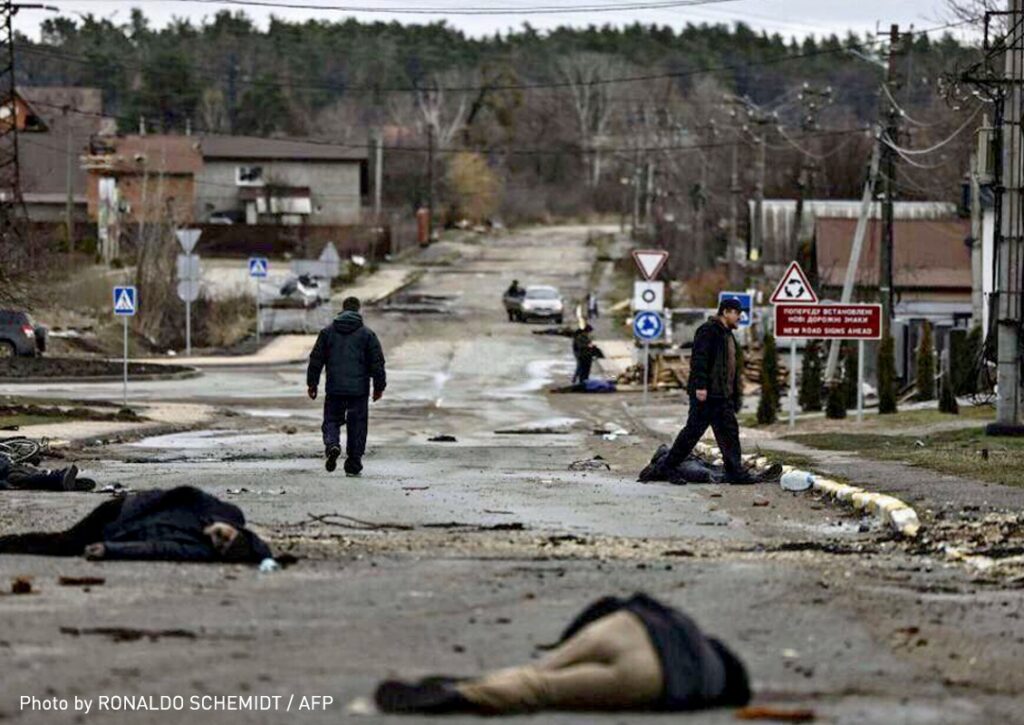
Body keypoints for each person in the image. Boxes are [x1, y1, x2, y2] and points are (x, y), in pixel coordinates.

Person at [373, 592, 751, 714]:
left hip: (627, 625)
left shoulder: (687, 626)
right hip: (651, 673)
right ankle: (466, 694)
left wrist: (564, 642)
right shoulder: (710, 684)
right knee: (544, 689)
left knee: (540, 668)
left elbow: (611, 603)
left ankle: (497, 678)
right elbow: (675, 700)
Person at [0, 486, 273, 563]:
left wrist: (109, 550)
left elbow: (157, 549)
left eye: (219, 546)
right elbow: (186, 492)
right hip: (123, 510)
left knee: (62, 544)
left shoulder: (201, 550)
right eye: (225, 537)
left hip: (117, 529)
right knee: (63, 544)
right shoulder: (225, 511)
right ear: (236, 530)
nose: (217, 539)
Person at [657, 297, 756, 484]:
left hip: (722, 396)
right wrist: (701, 386)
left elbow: (730, 369)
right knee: (692, 433)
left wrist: (734, 395)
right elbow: (699, 360)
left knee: (729, 433)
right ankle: (666, 468)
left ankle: (735, 473)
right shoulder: (708, 331)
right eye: (737, 314)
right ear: (726, 312)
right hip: (707, 395)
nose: (739, 318)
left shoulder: (727, 334)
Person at [307, 296, 387, 476]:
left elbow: (316, 360)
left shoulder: (327, 333)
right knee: (357, 426)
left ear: (342, 310)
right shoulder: (367, 335)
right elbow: (377, 363)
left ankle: (332, 445)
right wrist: (379, 387)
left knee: (331, 420)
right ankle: (353, 463)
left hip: (334, 388)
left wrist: (312, 383)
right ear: (358, 311)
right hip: (359, 391)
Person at [0, 453, 94, 492]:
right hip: (9, 472)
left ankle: (59, 480)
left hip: (12, 469)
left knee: (29, 477)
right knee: (23, 479)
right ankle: (59, 479)